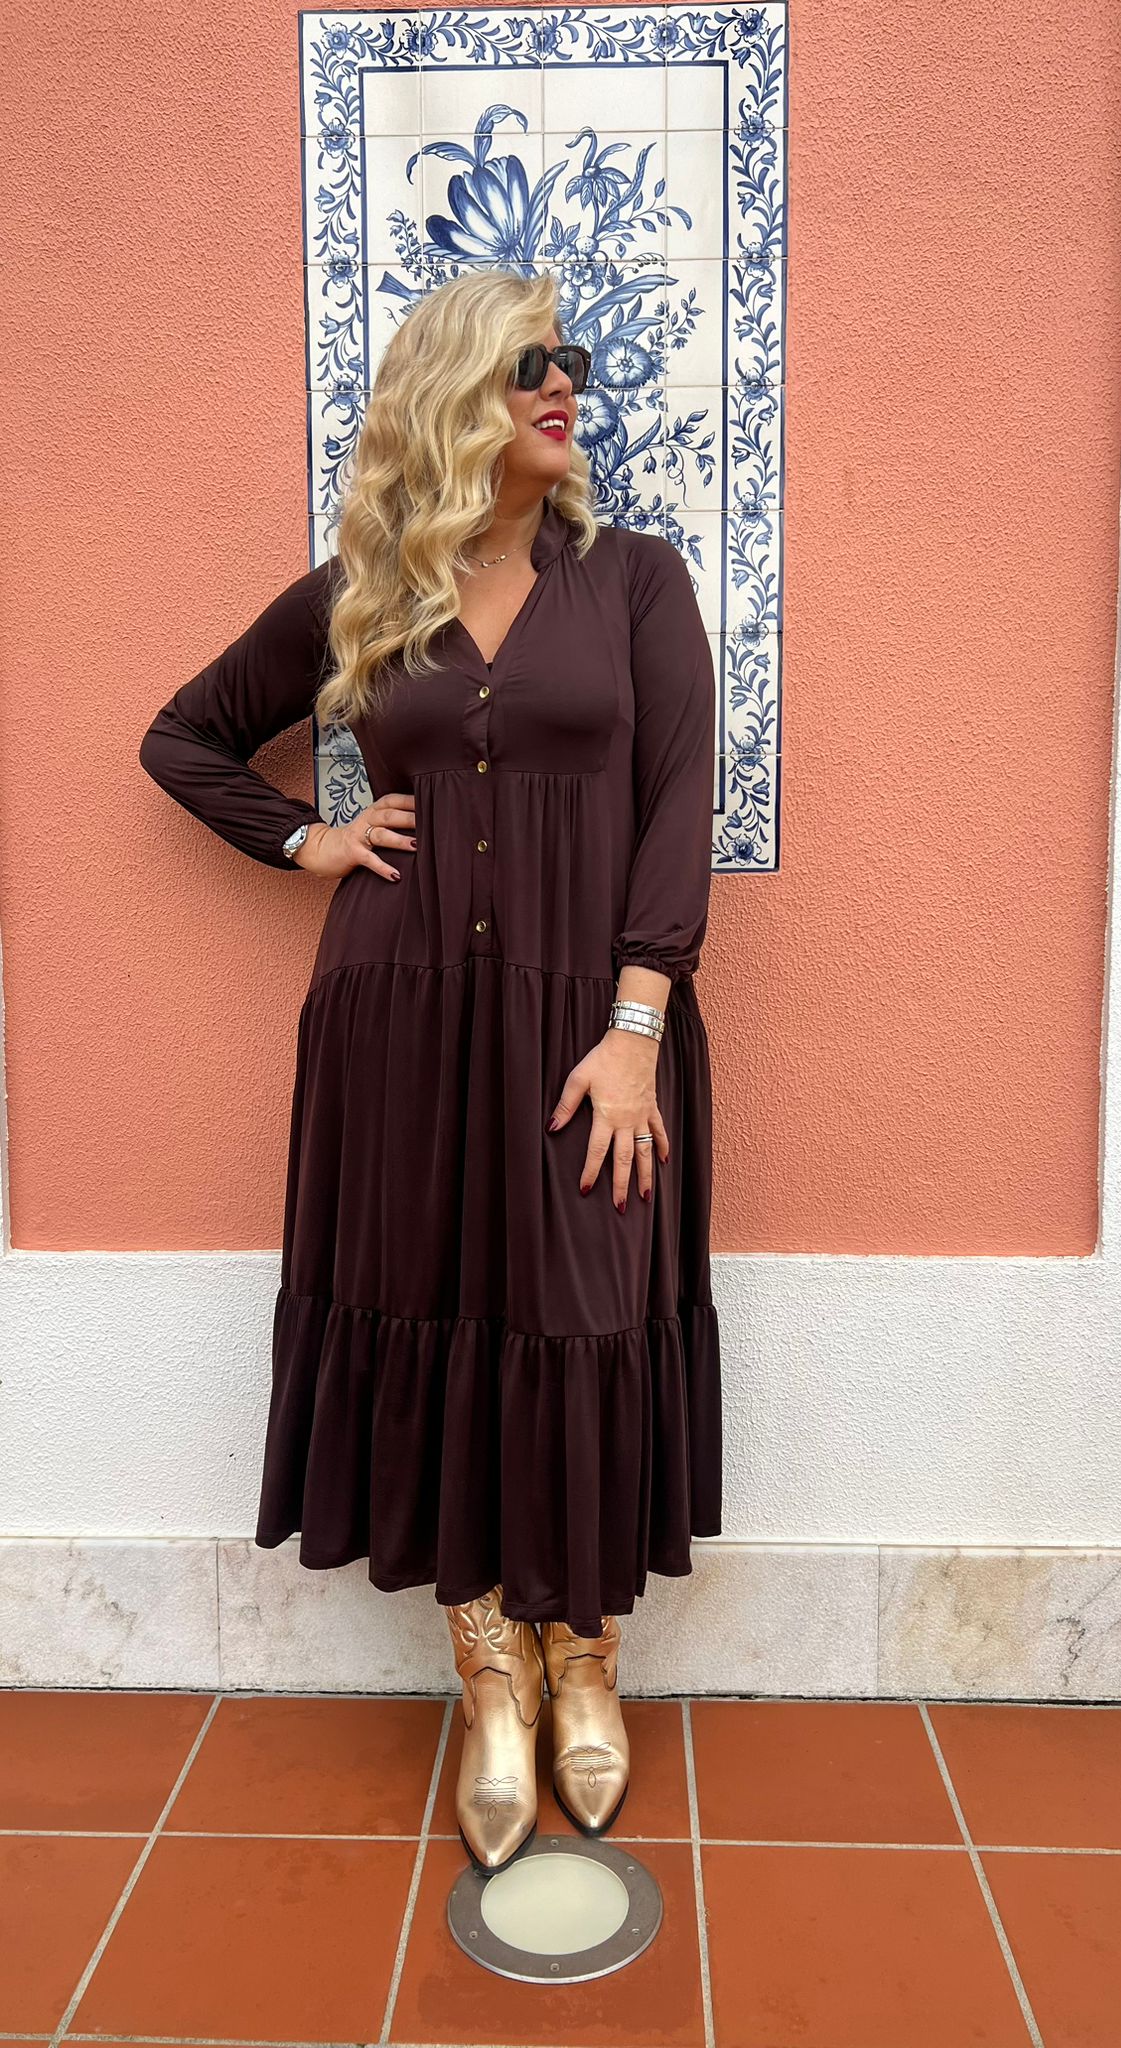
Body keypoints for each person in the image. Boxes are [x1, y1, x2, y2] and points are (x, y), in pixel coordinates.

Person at [138, 265, 723, 1877]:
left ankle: (582, 1649)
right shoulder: (363, 590)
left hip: (590, 1026)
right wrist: (309, 839)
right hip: (398, 1021)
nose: (564, 383)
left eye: (572, 358)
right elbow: (185, 738)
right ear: (458, 388)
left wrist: (636, 1028)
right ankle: (488, 1667)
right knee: (437, 1303)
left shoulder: (637, 583)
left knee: (587, 1315)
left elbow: (677, 806)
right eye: (531, 362)